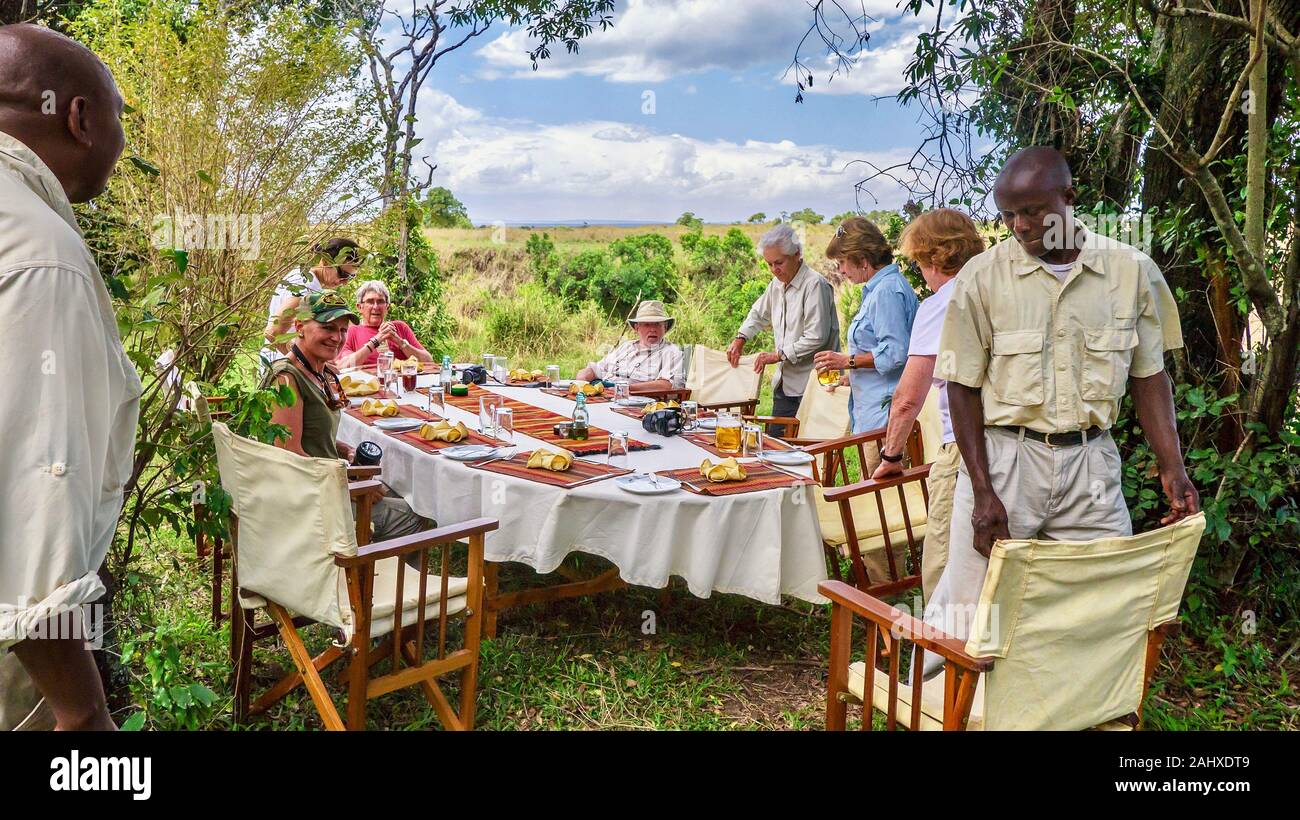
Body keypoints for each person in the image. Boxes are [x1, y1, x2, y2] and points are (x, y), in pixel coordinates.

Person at [924, 147, 1198, 663]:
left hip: (1091, 462)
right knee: (968, 609)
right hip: (1006, 460)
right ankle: (941, 709)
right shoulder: (983, 278)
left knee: (1100, 605)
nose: (1020, 226)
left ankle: (1081, 711)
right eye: (1007, 215)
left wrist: (1173, 467)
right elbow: (960, 388)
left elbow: (1149, 375)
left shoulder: (1130, 271)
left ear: (1070, 199)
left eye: (1032, 211)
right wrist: (982, 490)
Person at [0, 24, 141, 731]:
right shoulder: (40, 252)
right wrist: (83, 713)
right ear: (81, 118)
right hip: (20, 658)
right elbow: (34, 497)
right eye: (119, 115)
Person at [869, 209, 986, 598]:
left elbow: (907, 398)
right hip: (1017, 446)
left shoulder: (942, 305)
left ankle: (938, 654)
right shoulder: (997, 292)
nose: (920, 271)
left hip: (964, 451)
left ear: (934, 258)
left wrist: (890, 456)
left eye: (919, 262)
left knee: (943, 561)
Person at [262, 290, 432, 542]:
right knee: (415, 514)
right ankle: (361, 575)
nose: (337, 337)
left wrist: (344, 450)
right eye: (327, 328)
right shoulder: (286, 378)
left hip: (325, 484)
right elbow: (290, 458)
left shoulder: (318, 371)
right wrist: (348, 486)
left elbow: (312, 435)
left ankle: (366, 565)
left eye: (342, 330)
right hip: (308, 502)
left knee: (400, 491)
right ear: (299, 326)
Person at [812, 217, 917, 473]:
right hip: (874, 414)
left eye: (842, 262)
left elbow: (895, 353)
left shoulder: (886, 291)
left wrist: (846, 361)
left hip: (885, 419)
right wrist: (853, 375)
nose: (841, 270)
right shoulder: (879, 288)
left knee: (879, 497)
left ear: (862, 259)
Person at [729, 224, 840, 435]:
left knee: (809, 450)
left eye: (778, 262)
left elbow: (817, 336)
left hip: (815, 383)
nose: (774, 269)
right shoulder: (776, 284)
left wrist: (777, 355)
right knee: (775, 445)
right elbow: (758, 313)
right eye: (769, 264)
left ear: (797, 254)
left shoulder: (815, 284)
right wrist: (740, 338)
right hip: (785, 382)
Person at [261, 237, 363, 367]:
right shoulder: (304, 287)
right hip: (282, 367)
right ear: (325, 261)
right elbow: (272, 332)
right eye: (343, 274)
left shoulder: (308, 280)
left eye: (351, 277)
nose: (345, 281)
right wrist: (306, 363)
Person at [576, 300, 684, 391]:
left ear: (665, 327)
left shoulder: (672, 352)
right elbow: (597, 369)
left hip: (635, 403)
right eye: (647, 324)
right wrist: (582, 379)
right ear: (637, 328)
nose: (652, 329)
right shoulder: (626, 346)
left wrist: (625, 389)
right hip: (603, 394)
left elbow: (666, 385)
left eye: (657, 324)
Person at [337, 279, 434, 368]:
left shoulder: (399, 327)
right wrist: (376, 341)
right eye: (370, 302)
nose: (375, 307)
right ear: (359, 307)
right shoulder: (352, 331)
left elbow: (428, 362)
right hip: (368, 385)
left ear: (387, 307)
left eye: (380, 302)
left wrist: (399, 341)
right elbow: (343, 366)